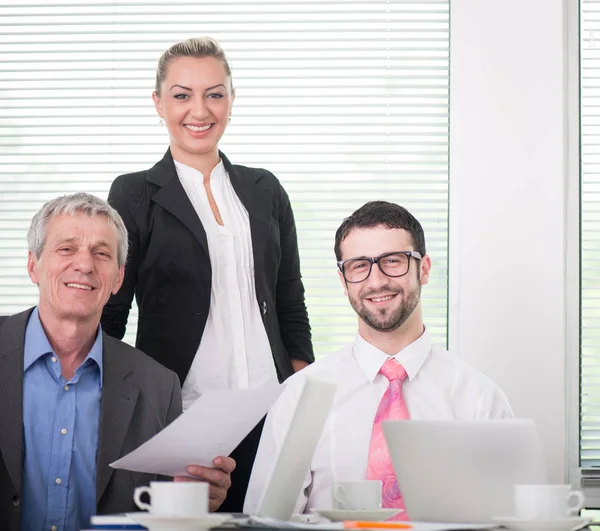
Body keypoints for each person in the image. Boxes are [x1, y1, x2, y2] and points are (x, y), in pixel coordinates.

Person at [100, 36, 314, 511]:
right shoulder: (134, 194)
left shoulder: (265, 190)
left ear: (232, 100)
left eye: (215, 93)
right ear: (158, 103)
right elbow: (110, 312)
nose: (200, 110)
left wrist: (305, 404)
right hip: (185, 416)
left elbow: (289, 300)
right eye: (182, 95)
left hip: (271, 407)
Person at [244, 201, 514, 517]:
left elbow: (504, 519)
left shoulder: (479, 399)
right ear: (343, 280)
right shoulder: (299, 394)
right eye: (359, 265)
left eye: (393, 261)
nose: (376, 281)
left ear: (423, 269)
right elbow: (267, 523)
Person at [0, 193, 235, 531]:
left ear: (119, 278)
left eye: (102, 253)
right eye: (66, 249)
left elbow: (166, 513)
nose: (84, 264)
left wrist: (199, 497)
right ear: (33, 265)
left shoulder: (158, 386)